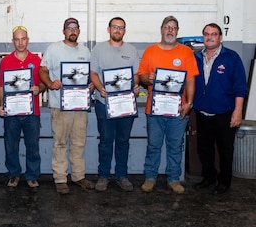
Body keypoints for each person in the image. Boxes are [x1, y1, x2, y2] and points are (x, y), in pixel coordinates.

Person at [138, 16, 199, 194]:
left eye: (173, 27)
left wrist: (189, 103)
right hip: (154, 110)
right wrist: (146, 78)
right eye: (167, 27)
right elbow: (141, 76)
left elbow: (190, 79)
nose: (170, 30)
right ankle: (150, 178)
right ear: (161, 29)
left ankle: (173, 179)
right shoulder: (150, 51)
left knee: (175, 146)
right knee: (154, 145)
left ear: (177, 31)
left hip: (178, 110)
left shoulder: (186, 53)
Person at [39, 17, 95, 194]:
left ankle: (78, 176)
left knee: (79, 142)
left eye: (75, 28)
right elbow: (42, 70)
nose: (72, 31)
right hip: (60, 105)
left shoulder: (85, 51)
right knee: (60, 143)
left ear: (78, 31)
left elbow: (90, 75)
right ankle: (60, 178)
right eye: (69, 28)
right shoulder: (54, 49)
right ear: (63, 31)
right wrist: (49, 83)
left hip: (80, 106)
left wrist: (92, 85)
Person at [193, 23, 247, 195]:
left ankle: (224, 181)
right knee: (204, 148)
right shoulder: (196, 57)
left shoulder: (231, 58)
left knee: (225, 150)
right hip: (202, 112)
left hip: (224, 113)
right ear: (203, 37)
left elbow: (240, 87)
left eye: (214, 34)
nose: (210, 37)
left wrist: (238, 111)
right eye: (207, 34)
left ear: (220, 37)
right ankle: (209, 178)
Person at [90, 17, 140, 192]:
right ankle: (103, 176)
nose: (117, 30)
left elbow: (135, 75)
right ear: (108, 29)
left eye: (121, 27)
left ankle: (122, 176)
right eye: (115, 27)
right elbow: (93, 73)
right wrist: (100, 88)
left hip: (125, 104)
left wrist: (135, 85)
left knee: (123, 141)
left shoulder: (132, 50)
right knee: (105, 141)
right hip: (104, 103)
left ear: (124, 31)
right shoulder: (98, 50)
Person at [0, 26, 45, 192]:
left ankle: (32, 176)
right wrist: (0, 105)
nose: (20, 42)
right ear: (13, 41)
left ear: (28, 40)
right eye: (16, 39)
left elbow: (44, 83)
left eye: (23, 39)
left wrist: (40, 88)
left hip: (32, 113)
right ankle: (14, 174)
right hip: (11, 112)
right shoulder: (5, 61)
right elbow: (1, 87)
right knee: (11, 145)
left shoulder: (37, 60)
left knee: (33, 145)